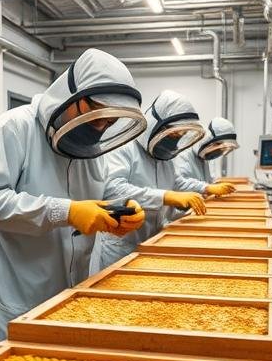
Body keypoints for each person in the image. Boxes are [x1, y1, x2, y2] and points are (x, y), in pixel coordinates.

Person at [0, 49, 148, 347]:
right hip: (19, 302)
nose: (101, 127)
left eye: (109, 122)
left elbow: (102, 190)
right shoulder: (15, 128)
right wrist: (65, 212)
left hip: (73, 299)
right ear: (73, 96)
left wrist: (124, 206)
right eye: (97, 116)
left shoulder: (90, 148)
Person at [90, 89, 210, 272]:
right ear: (157, 126)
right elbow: (112, 188)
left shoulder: (164, 156)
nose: (176, 140)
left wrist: (205, 189)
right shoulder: (124, 146)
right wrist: (165, 197)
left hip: (154, 240)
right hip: (121, 247)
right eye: (174, 134)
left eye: (180, 135)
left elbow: (176, 182)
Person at [173, 115, 240, 196]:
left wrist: (215, 186)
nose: (218, 150)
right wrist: (208, 188)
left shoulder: (203, 159)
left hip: (199, 201)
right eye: (217, 144)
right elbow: (179, 184)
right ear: (206, 139)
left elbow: (206, 181)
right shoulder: (183, 154)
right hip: (186, 203)